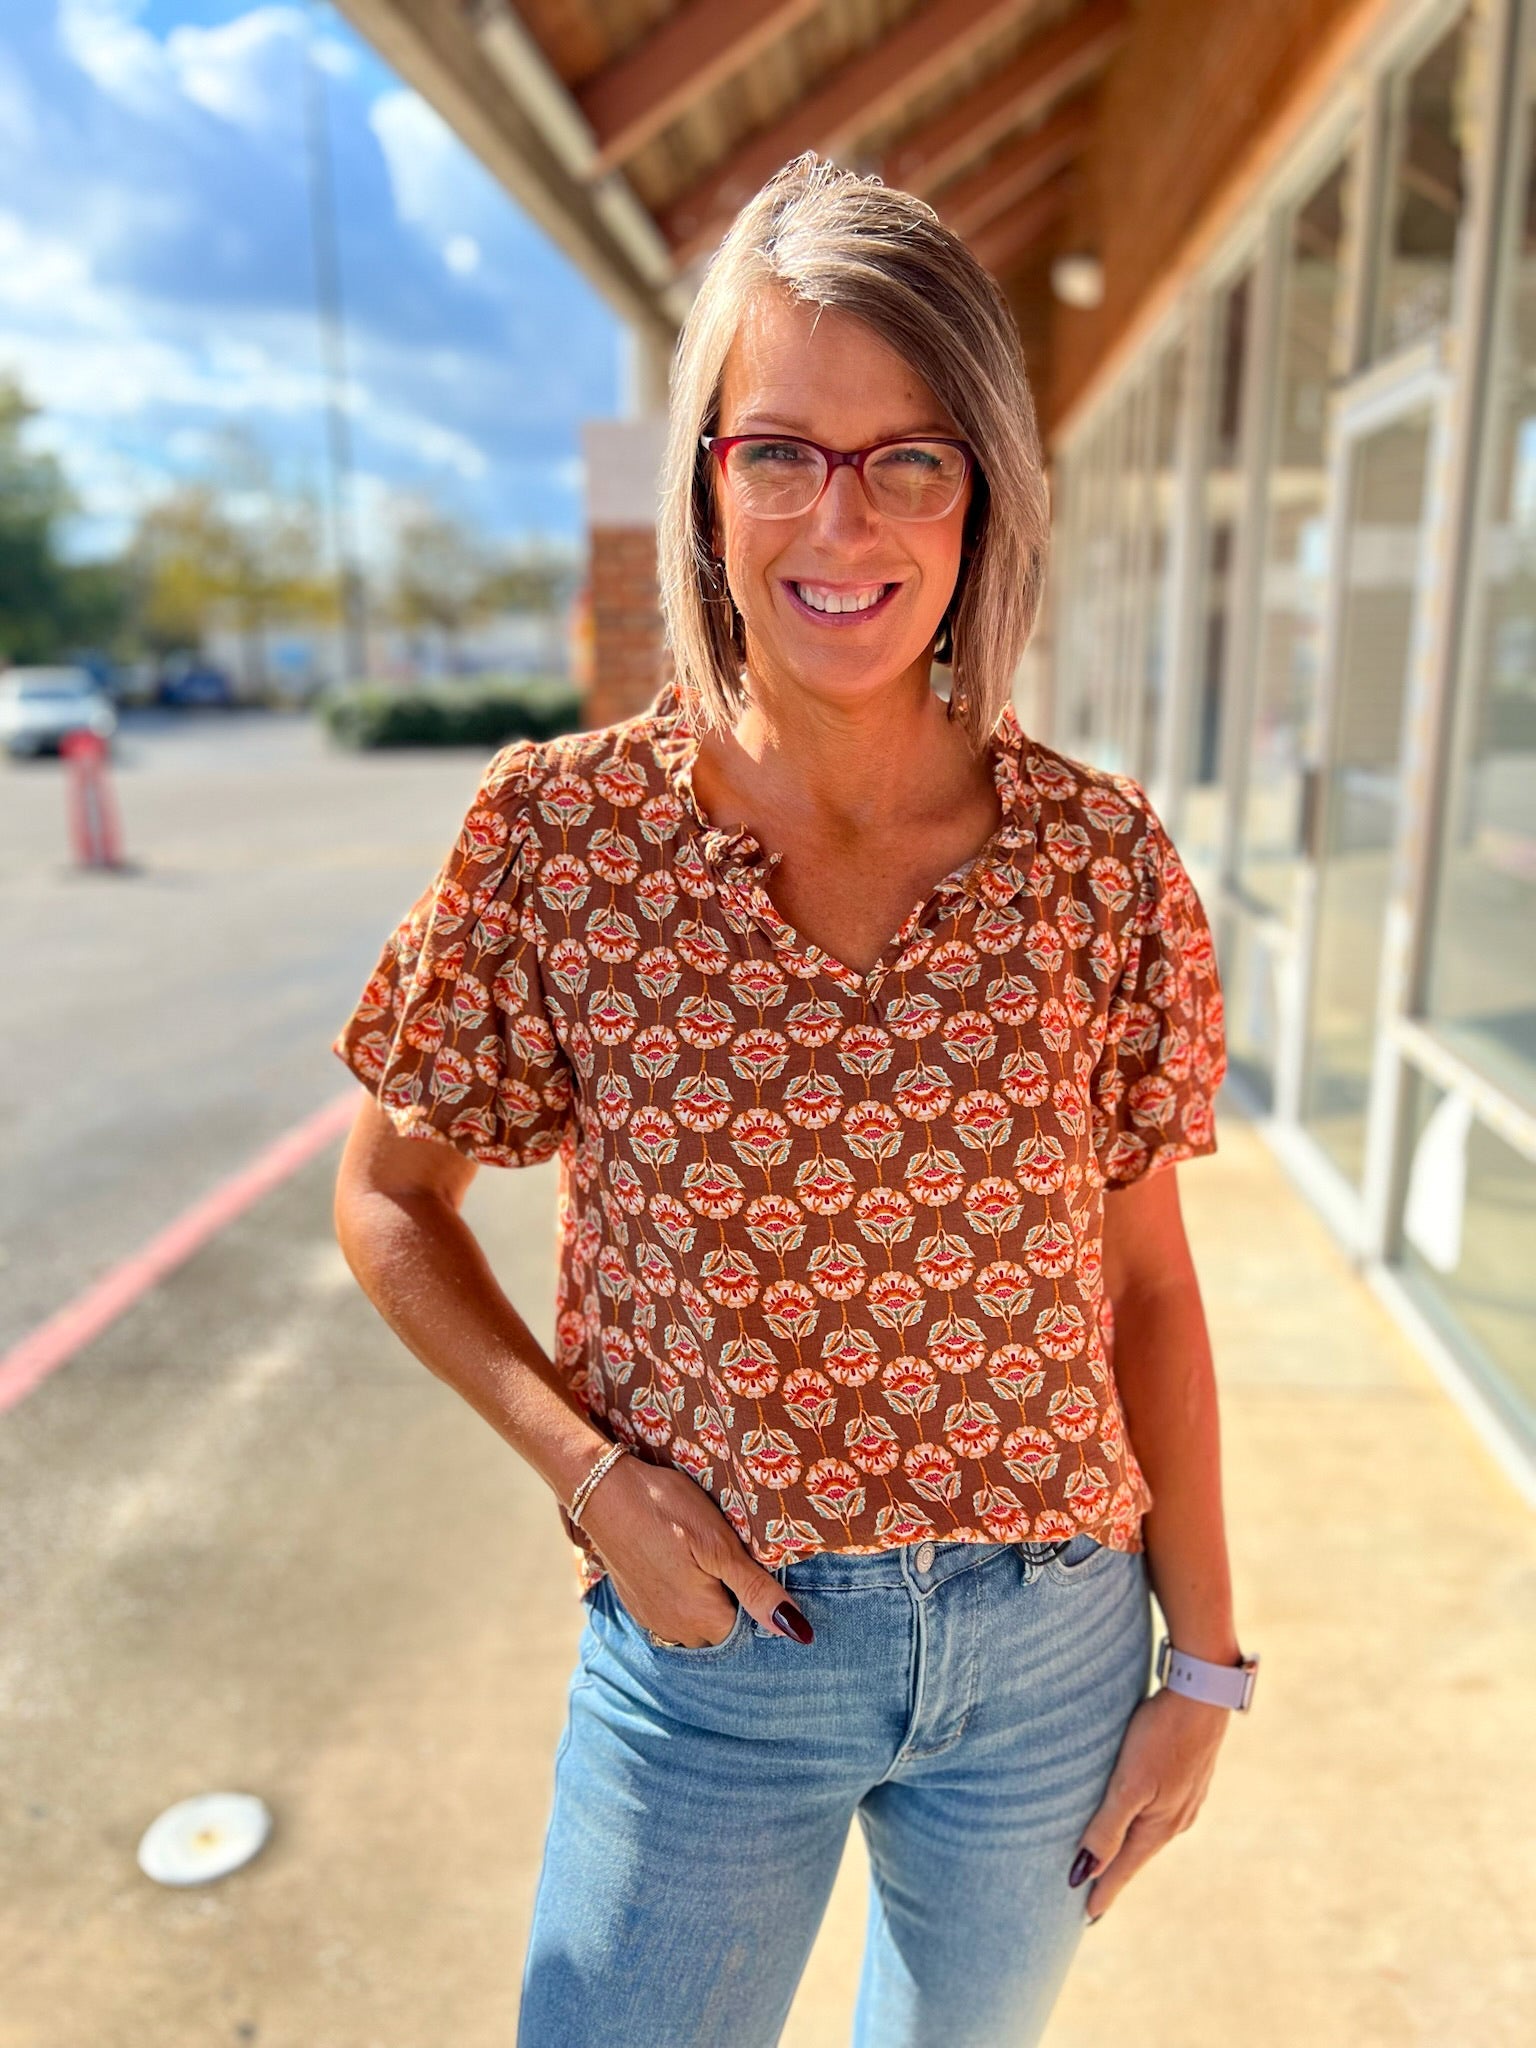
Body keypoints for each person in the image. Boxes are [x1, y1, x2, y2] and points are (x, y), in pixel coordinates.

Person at [331, 151, 1258, 2048]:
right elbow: (387, 1203)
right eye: (782, 451)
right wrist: (591, 1478)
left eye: (910, 454)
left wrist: (1210, 1668)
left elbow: (1147, 1289)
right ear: (707, 479)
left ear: (984, 486)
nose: (844, 519)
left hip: (1055, 1648)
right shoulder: (562, 839)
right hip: (715, 1654)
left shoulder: (1098, 860)